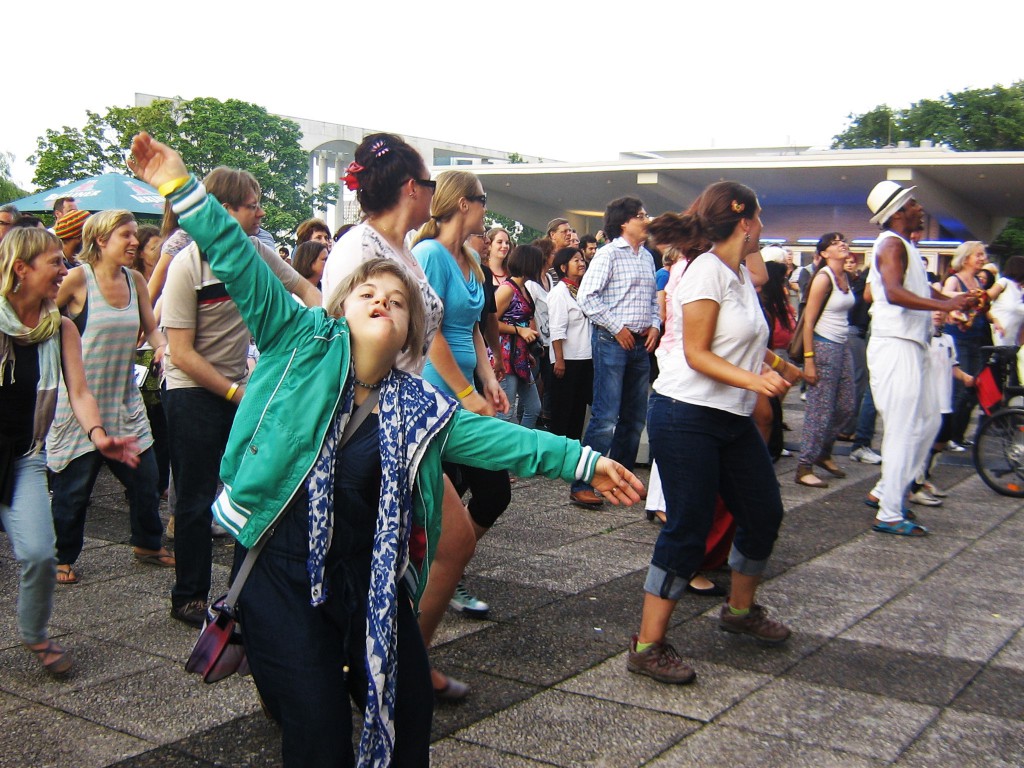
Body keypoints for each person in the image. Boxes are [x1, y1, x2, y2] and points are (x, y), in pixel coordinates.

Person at [126, 131, 643, 768]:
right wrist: (180, 184)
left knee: (406, 716)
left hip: (368, 574)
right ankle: (290, 678)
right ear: (342, 308)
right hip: (281, 566)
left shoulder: (414, 404)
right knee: (316, 732)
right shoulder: (299, 342)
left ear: (408, 331)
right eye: (367, 293)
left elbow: (501, 439)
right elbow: (235, 256)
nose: (380, 298)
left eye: (396, 300)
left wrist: (587, 460)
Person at [629, 182, 799, 686]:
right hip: (686, 415)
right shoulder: (705, 272)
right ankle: (646, 644)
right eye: (760, 218)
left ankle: (739, 612)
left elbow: (737, 338)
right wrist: (758, 381)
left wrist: (778, 364)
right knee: (688, 526)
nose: (763, 227)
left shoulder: (739, 274)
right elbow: (697, 353)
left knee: (763, 512)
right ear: (744, 222)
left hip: (729, 416)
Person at [161, 166, 318, 627]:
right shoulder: (186, 265)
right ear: (223, 211)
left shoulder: (257, 254)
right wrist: (235, 391)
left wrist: (326, 328)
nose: (261, 212)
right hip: (193, 392)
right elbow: (181, 353)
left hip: (240, 389)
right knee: (194, 500)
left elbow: (306, 289)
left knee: (250, 490)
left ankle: (239, 593)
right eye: (253, 204)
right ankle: (188, 596)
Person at [1, 227, 141, 675]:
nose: (65, 270)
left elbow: (78, 392)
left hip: (23, 458)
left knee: (42, 554)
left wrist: (99, 435)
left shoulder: (58, 328)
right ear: (21, 269)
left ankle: (35, 634)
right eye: (55, 263)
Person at [46, 210, 172, 585]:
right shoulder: (76, 280)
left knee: (145, 478)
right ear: (100, 240)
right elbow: (41, 323)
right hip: (79, 405)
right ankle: (61, 557)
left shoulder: (135, 281)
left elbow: (152, 329)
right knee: (73, 492)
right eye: (126, 235)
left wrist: (165, 350)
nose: (135, 242)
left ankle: (148, 544)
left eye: (134, 235)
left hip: (123, 401)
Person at [863, 181, 971, 536]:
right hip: (895, 346)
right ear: (896, 213)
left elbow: (920, 289)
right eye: (912, 203)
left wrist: (955, 302)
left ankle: (885, 489)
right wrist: (945, 304)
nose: (919, 207)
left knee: (926, 423)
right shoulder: (892, 243)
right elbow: (894, 293)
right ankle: (890, 511)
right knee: (903, 429)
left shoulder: (904, 245)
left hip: (910, 345)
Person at [572, 196, 659, 507]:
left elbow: (653, 300)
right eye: (641, 215)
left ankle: (620, 482)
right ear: (624, 223)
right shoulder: (608, 254)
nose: (647, 219)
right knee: (606, 416)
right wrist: (617, 327)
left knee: (634, 419)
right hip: (613, 341)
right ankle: (582, 482)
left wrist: (655, 325)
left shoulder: (647, 257)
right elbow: (587, 297)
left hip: (639, 344)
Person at [794, 233, 855, 488]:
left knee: (847, 405)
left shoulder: (846, 277)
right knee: (820, 409)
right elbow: (808, 322)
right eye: (834, 242)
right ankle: (804, 464)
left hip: (842, 345)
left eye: (843, 241)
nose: (841, 244)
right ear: (824, 253)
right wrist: (809, 359)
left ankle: (823, 451)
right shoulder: (823, 278)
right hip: (823, 346)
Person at [942, 241, 991, 450]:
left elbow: (983, 309)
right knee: (961, 387)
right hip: (958, 338)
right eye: (977, 255)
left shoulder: (977, 282)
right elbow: (943, 297)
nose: (982, 258)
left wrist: (996, 321)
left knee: (973, 388)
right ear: (966, 257)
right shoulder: (955, 280)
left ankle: (958, 435)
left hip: (976, 338)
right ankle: (949, 436)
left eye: (982, 255)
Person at [495, 244, 544, 427]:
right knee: (505, 414)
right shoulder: (507, 289)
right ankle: (503, 453)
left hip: (520, 356)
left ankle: (522, 449)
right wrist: (519, 330)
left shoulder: (524, 288)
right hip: (505, 357)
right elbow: (490, 323)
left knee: (533, 407)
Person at [547, 246, 592, 439]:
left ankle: (574, 458)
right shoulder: (559, 293)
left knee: (578, 410)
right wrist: (559, 360)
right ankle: (558, 460)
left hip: (585, 357)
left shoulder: (582, 291)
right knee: (562, 411)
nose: (581, 263)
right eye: (576, 260)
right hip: (567, 360)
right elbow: (556, 330)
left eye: (582, 259)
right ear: (564, 267)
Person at [987, 256, 1024, 346]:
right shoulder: (1004, 283)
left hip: (1013, 343)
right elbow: (984, 301)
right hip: (998, 336)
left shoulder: (1021, 291)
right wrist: (994, 320)